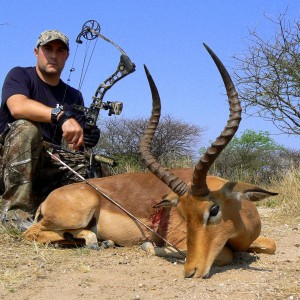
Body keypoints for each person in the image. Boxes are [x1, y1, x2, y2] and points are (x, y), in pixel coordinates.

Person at [0, 30, 100, 231]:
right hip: (8, 163)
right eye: (48, 49)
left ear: (67, 56)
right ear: (37, 52)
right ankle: (14, 216)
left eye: (60, 50)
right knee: (27, 129)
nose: (53, 55)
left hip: (46, 163)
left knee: (91, 166)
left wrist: (87, 136)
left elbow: (75, 144)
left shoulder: (74, 95)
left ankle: (80, 220)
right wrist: (61, 116)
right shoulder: (20, 75)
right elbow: (17, 107)